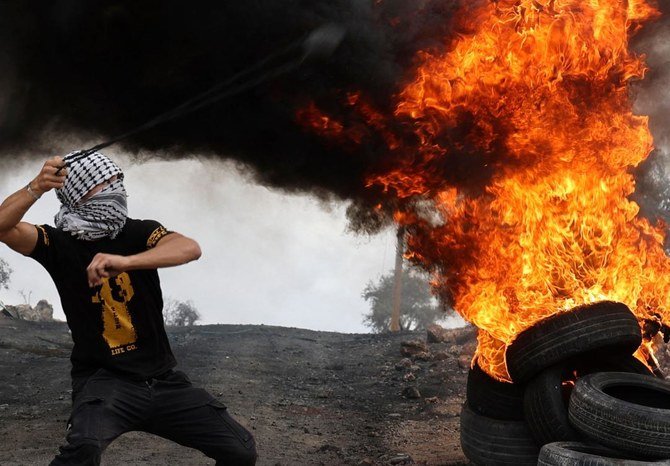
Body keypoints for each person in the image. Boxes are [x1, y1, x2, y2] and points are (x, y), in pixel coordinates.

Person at [0, 151, 257, 466]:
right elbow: (2, 226)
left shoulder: (138, 232)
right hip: (105, 381)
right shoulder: (56, 243)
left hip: (164, 380)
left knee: (240, 450)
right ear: (79, 190)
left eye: (118, 180)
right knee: (83, 449)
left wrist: (127, 261)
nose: (116, 188)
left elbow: (189, 248)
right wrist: (36, 187)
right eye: (105, 182)